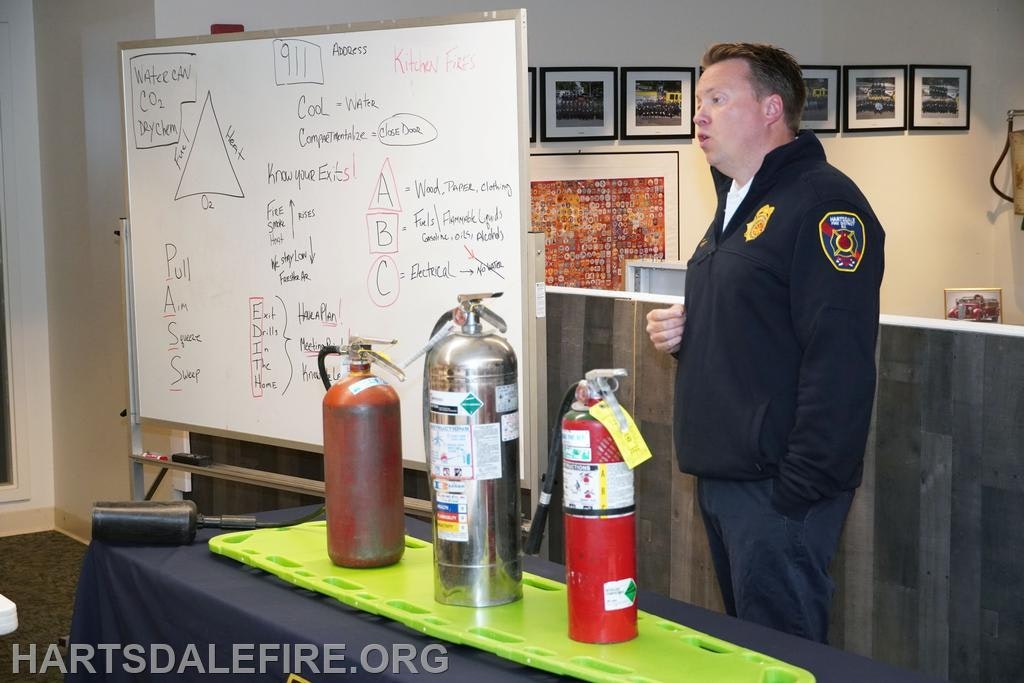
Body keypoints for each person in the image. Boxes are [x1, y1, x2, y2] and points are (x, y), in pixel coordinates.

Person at [646, 43, 885, 643]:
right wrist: (687, 334)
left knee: (784, 658)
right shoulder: (737, 200)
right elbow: (764, 325)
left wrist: (796, 491)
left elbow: (841, 361)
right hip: (728, 479)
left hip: (777, 489)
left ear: (771, 108)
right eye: (699, 102)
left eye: (717, 99)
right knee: (750, 653)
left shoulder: (824, 205)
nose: (698, 115)